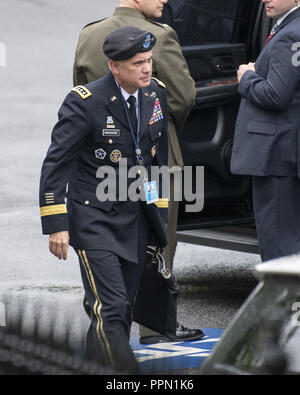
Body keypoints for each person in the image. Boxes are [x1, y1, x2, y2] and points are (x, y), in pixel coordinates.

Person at [73, 0, 205, 344]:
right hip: (153, 159)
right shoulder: (160, 35)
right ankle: (155, 326)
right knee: (157, 242)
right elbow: (183, 96)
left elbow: (80, 93)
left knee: (108, 239)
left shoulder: (89, 35)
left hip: (103, 164)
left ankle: (103, 320)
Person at [39, 26, 169, 372]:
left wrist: (159, 215)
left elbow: (157, 163)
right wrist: (57, 224)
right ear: (114, 66)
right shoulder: (85, 102)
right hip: (93, 219)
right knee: (109, 308)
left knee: (121, 311)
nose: (147, 68)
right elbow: (56, 165)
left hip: (135, 220)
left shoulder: (155, 95)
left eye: (149, 60)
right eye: (138, 63)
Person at [230, 0, 300, 262]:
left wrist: (247, 77)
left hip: (276, 158)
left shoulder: (292, 34)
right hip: (288, 152)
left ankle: (284, 303)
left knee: (278, 245)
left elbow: (275, 95)